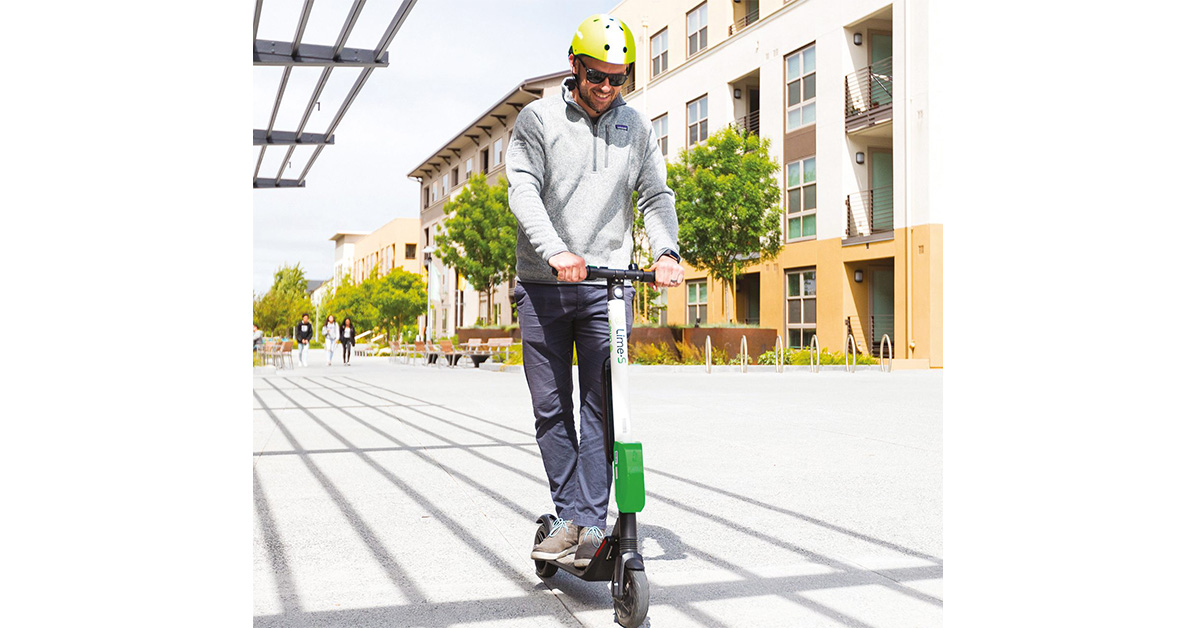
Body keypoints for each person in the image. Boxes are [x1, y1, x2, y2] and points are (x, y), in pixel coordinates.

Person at [511, 13, 684, 570]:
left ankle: (584, 522)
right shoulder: (536, 120)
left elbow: (655, 196)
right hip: (544, 284)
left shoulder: (636, 127)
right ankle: (569, 515)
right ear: (575, 66)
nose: (608, 88)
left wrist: (666, 251)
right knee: (551, 407)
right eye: (597, 76)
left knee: (604, 405)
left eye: (619, 77)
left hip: (606, 288)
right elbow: (523, 190)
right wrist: (555, 250)